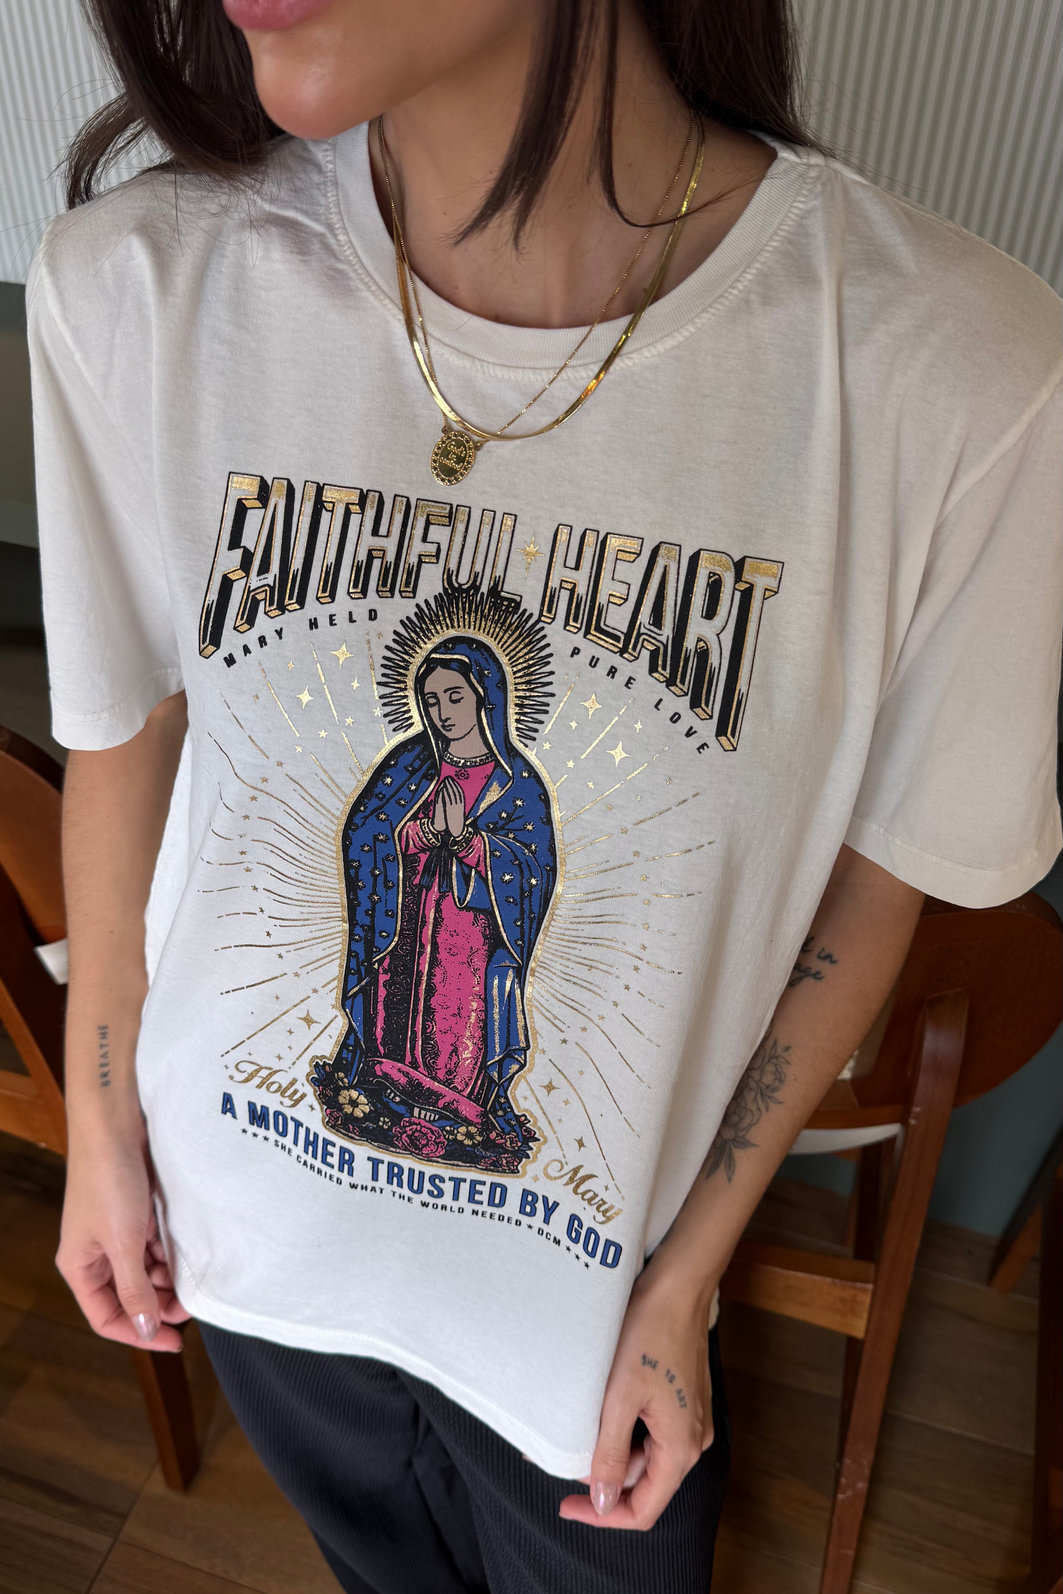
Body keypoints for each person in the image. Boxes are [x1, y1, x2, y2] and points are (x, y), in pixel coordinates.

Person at [25, 1, 1061, 1591]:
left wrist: (684, 1279)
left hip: (585, 1318)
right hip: (244, 1245)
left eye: (459, 703)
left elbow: (880, 869)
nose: (443, 715)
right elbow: (131, 732)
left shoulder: (953, 375)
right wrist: (103, 1125)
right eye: (435, 702)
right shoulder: (136, 284)